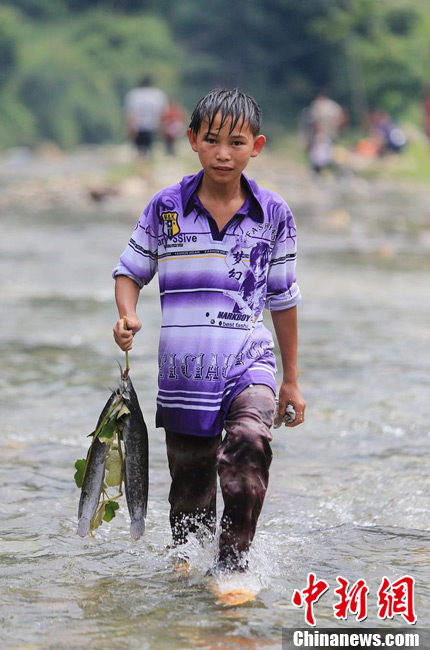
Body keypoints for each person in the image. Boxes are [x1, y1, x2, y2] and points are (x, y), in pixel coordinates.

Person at [112, 88, 306, 573]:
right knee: (190, 496)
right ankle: (189, 581)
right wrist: (127, 314)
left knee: (250, 444)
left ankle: (233, 567)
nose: (224, 153)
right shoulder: (166, 208)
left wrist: (291, 379)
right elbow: (130, 271)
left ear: (256, 147)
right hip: (184, 375)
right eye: (213, 140)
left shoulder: (273, 214)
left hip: (249, 360)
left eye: (236, 142)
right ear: (193, 139)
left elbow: (283, 299)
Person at [124, 75, 168, 156]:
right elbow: (163, 112)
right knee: (150, 147)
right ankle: (148, 163)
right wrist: (162, 127)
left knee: (140, 149)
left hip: (138, 126)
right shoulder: (158, 95)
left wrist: (129, 127)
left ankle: (142, 164)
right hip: (153, 125)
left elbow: (131, 113)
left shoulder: (134, 95)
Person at [307, 89, 346, 174]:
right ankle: (337, 170)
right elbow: (341, 119)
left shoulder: (317, 105)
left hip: (321, 132)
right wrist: (339, 130)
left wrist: (315, 133)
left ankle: (317, 171)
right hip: (333, 132)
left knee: (317, 152)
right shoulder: (334, 106)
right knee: (331, 151)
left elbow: (315, 121)